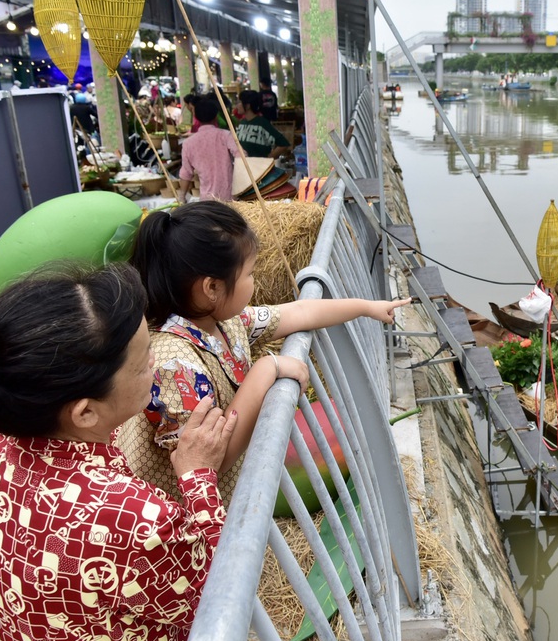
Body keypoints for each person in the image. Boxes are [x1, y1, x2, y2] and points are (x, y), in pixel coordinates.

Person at [0, 263, 237, 641]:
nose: (155, 369)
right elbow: (219, 599)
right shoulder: (131, 518)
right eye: (144, 363)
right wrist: (198, 476)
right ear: (86, 412)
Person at [116, 201, 410, 501]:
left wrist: (365, 308)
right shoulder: (173, 367)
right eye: (250, 274)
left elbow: (299, 313)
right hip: (180, 528)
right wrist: (264, 371)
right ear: (212, 288)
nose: (254, 282)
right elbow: (213, 462)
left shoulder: (223, 322)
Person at [178, 97, 238, 201]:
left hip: (207, 200)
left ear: (196, 117)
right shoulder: (226, 135)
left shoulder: (188, 143)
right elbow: (241, 156)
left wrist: (181, 197)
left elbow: (186, 174)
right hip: (230, 197)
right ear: (216, 116)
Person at [235, 89, 289, 159]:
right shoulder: (242, 123)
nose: (237, 105)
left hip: (260, 168)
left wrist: (268, 159)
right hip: (244, 167)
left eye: (239, 102)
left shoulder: (262, 124)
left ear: (248, 106)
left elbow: (283, 144)